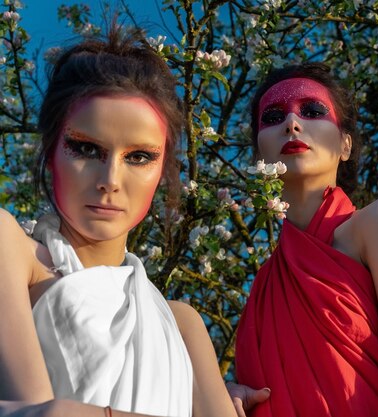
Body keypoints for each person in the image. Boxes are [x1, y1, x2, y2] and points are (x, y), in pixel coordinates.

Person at [0, 27, 237, 417]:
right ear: (50, 150)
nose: (110, 179)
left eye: (139, 156)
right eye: (86, 148)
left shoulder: (182, 325)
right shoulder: (12, 252)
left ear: (163, 169)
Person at [234, 63, 378, 417]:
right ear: (258, 155)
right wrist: (222, 394)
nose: (292, 123)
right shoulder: (264, 285)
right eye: (273, 116)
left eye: (312, 111)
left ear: (345, 144)